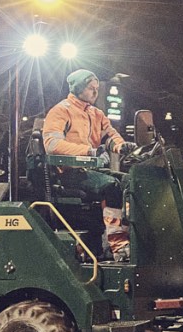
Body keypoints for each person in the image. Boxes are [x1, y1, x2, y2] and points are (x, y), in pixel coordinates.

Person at [43, 69, 131, 260]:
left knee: (130, 183)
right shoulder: (61, 111)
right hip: (69, 172)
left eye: (96, 88)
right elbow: (52, 145)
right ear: (78, 88)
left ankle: (123, 238)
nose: (95, 92)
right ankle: (117, 242)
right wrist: (88, 151)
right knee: (110, 186)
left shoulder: (96, 113)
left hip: (91, 169)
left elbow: (110, 136)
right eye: (91, 88)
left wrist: (122, 146)